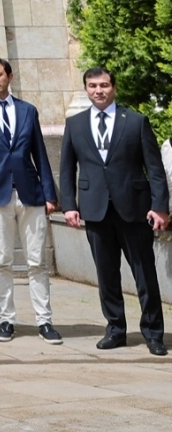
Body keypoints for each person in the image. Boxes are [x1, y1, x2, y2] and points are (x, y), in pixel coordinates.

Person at [59, 66, 169, 354]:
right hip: (95, 210)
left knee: (145, 274)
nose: (99, 90)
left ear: (114, 88)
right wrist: (68, 205)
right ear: (86, 89)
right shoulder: (75, 124)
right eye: (93, 86)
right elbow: (67, 169)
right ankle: (116, 329)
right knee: (106, 275)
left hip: (134, 209)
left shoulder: (135, 121)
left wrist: (160, 207)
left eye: (104, 85)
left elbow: (155, 169)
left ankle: (153, 333)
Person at [0, 56, 60, 344]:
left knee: (37, 261)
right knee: (2, 260)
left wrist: (50, 194)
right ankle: (6, 320)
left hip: (30, 194)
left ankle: (44, 321)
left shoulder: (27, 110)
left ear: (9, 76)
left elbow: (40, 154)